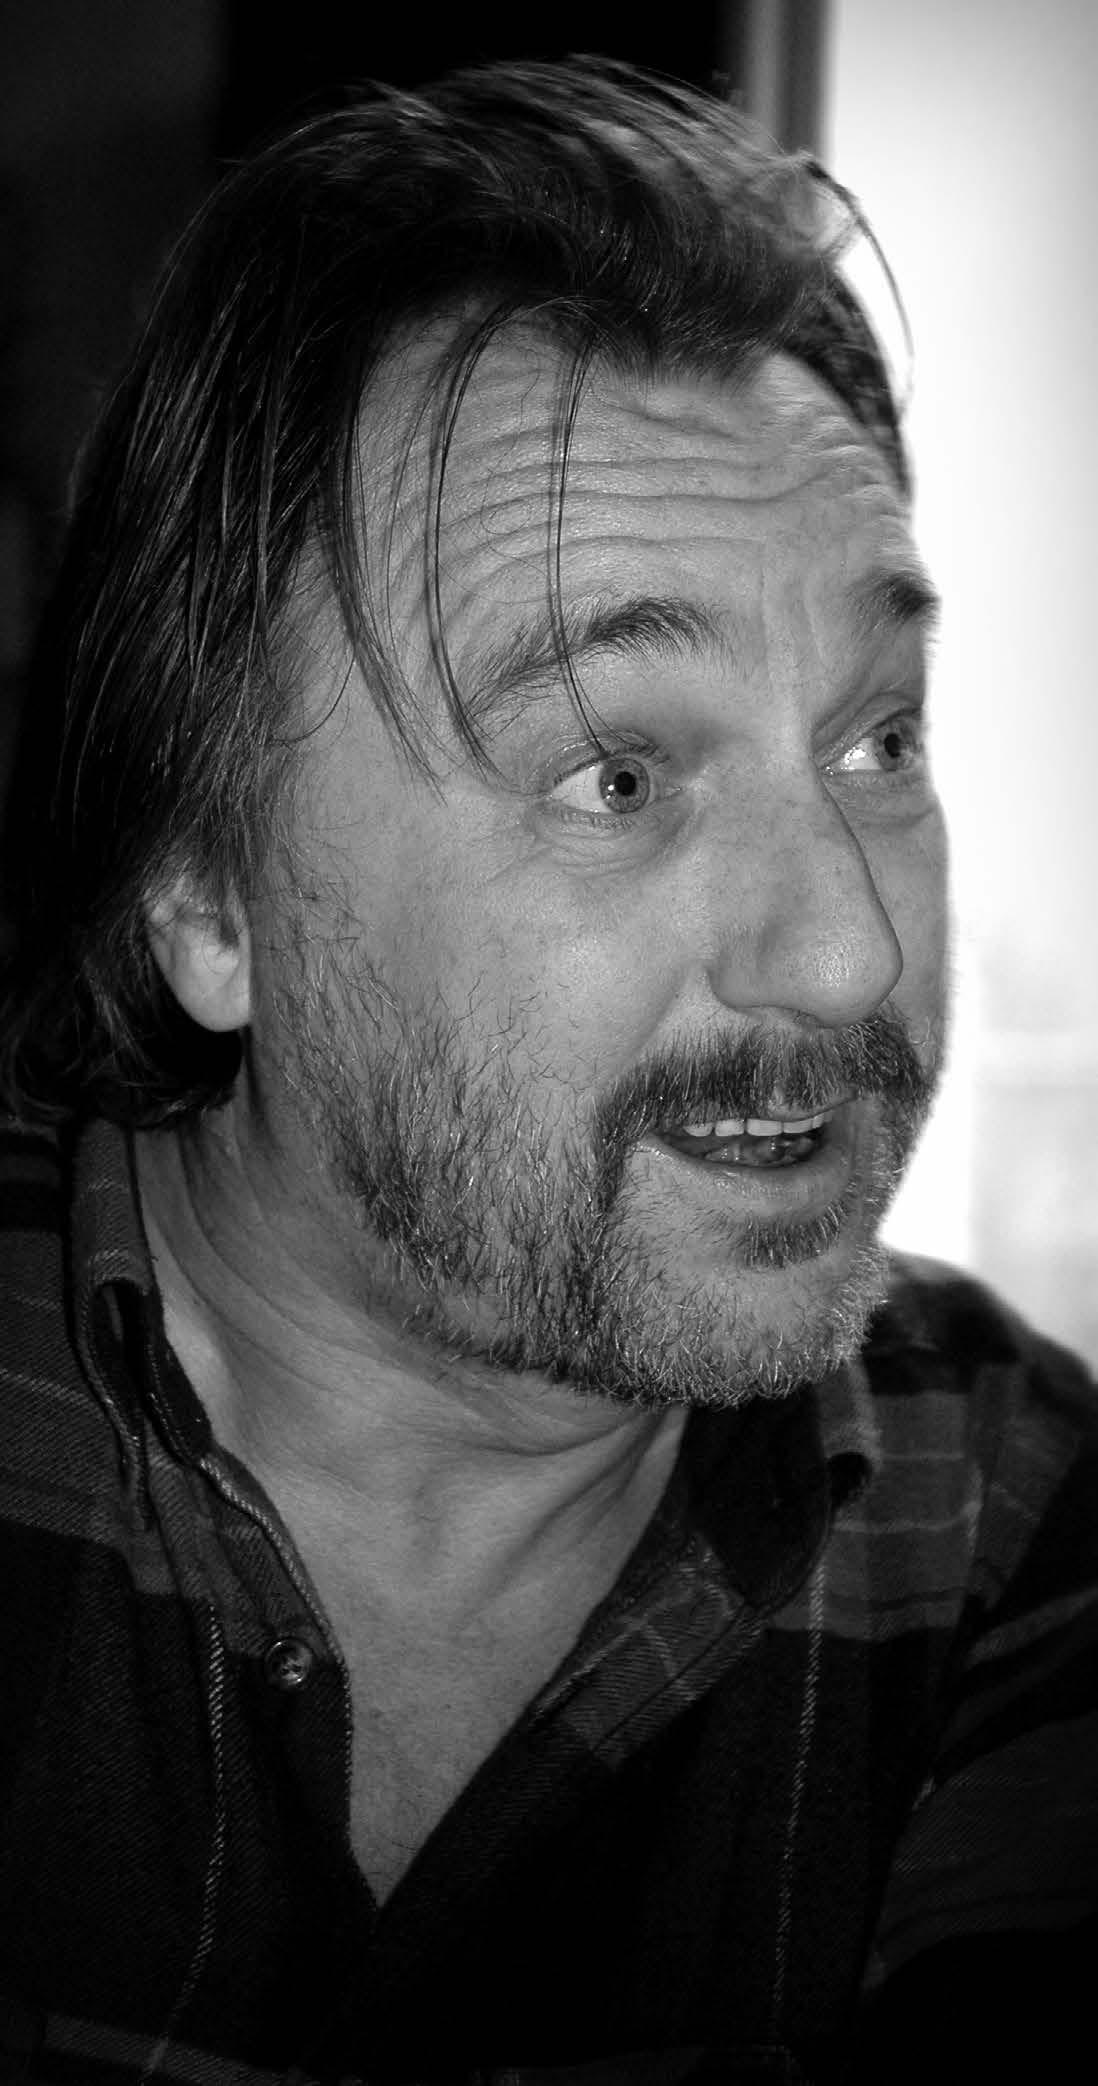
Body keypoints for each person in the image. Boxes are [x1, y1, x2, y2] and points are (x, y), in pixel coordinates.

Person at [0, 55, 1094, 2086]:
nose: (847, 949)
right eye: (617, 773)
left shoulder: (1020, 1531)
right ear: (209, 895)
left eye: (879, 739)